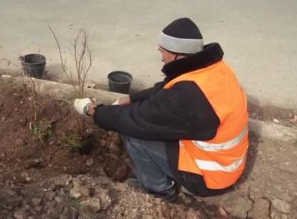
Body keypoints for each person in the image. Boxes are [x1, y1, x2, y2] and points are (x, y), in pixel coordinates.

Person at [74, 18, 249, 201]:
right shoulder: (212, 69)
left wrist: (94, 111)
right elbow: (167, 87)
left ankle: (160, 190)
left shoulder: (188, 95)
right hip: (226, 160)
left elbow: (136, 120)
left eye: (162, 51)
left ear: (175, 54)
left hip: (211, 176)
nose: (161, 57)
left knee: (135, 134)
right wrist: (131, 98)